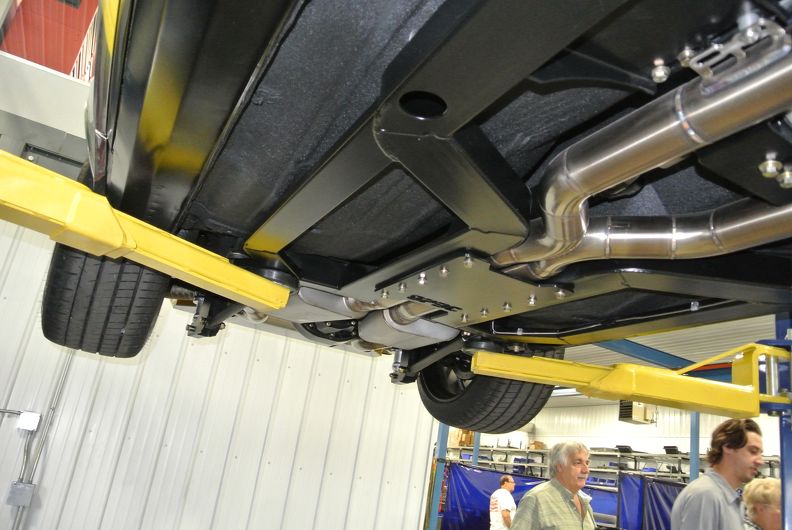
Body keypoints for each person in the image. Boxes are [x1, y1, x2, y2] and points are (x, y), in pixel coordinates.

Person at [671, 418, 764, 530]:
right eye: (753, 451)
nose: (760, 461)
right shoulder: (706, 496)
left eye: (760, 453)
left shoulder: (729, 499)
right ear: (728, 447)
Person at [511, 441, 596, 530]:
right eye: (578, 463)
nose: (586, 470)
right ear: (559, 466)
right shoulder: (535, 500)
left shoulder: (585, 502)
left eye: (587, 463)